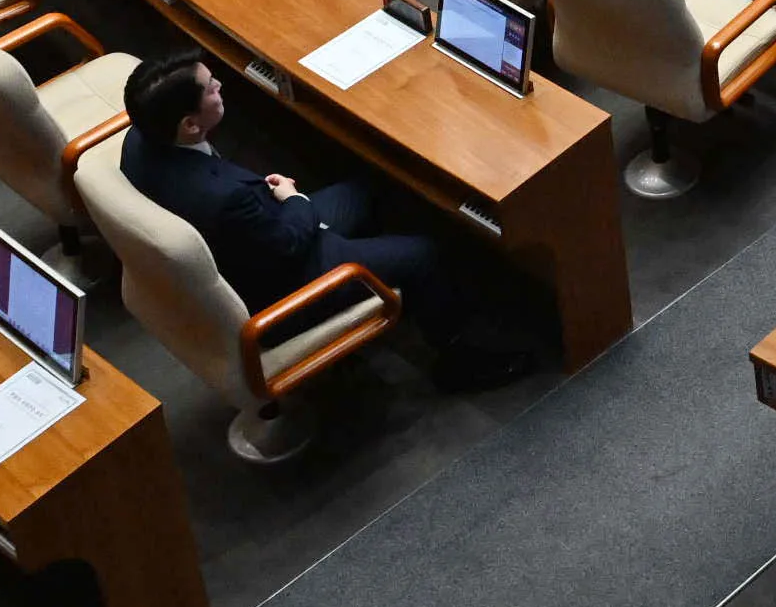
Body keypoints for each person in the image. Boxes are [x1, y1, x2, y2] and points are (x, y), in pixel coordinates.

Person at [117, 52, 528, 390]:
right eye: (210, 88)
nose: (219, 85)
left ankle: (415, 289)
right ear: (190, 125)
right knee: (424, 254)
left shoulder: (139, 142)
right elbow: (288, 244)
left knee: (369, 186)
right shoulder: (224, 198)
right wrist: (294, 199)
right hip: (290, 274)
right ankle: (456, 357)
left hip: (256, 235)